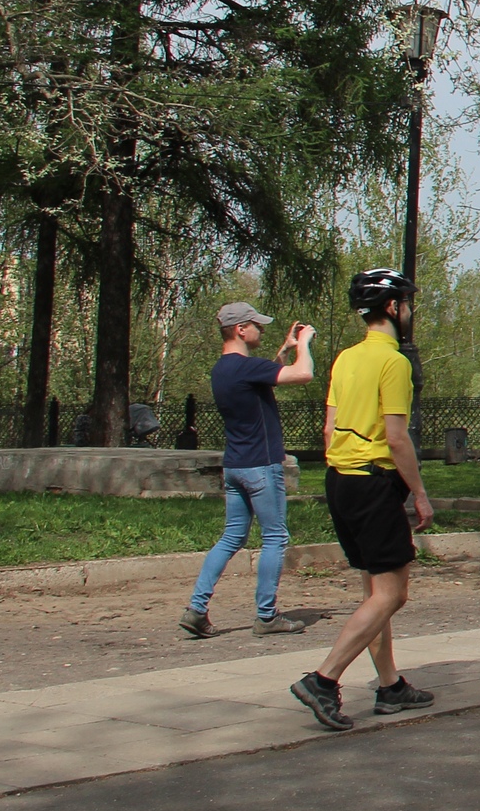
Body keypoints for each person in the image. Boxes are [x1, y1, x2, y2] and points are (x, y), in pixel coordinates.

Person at [289, 268, 437, 732]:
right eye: (407, 304)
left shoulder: (346, 359)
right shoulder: (394, 362)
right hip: (374, 483)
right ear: (393, 308)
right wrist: (419, 494)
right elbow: (397, 439)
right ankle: (323, 679)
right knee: (392, 593)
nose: (410, 312)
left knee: (374, 592)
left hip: (339, 480)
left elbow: (329, 428)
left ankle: (390, 685)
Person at [180, 302, 314, 638]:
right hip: (262, 467)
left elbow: (260, 379)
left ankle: (196, 609)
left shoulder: (223, 370)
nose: (261, 330)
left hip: (235, 466)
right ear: (241, 329)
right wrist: (305, 346)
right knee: (275, 537)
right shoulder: (246, 368)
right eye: (257, 325)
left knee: (231, 537)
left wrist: (284, 350)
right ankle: (267, 616)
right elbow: (304, 374)